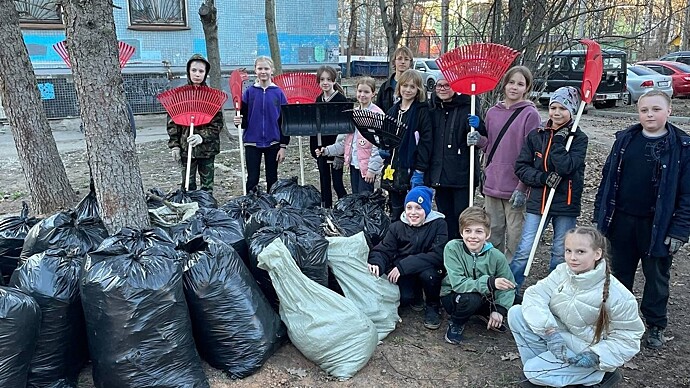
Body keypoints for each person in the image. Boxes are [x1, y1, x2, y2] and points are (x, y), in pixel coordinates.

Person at [594, 90, 690, 349]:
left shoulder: (682, 147)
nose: (649, 114)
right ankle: (617, 321)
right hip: (621, 222)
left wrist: (680, 231)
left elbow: (687, 194)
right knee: (619, 275)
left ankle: (655, 324)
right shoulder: (625, 140)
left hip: (658, 226)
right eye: (644, 109)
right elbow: (607, 181)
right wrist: (599, 219)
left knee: (657, 279)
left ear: (669, 111)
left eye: (656, 109)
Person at [508, 227, 644, 388]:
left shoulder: (618, 295)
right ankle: (548, 372)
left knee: (532, 372)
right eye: (568, 251)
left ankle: (598, 376)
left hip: (585, 352)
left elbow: (629, 337)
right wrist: (550, 332)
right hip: (560, 340)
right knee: (516, 313)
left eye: (580, 252)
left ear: (597, 254)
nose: (572, 258)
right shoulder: (562, 272)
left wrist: (596, 356)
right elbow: (535, 295)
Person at [510, 86, 588, 290]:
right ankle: (510, 289)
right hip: (538, 201)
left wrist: (559, 141)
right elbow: (521, 167)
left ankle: (555, 291)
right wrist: (543, 178)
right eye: (553, 107)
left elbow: (567, 167)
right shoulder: (537, 135)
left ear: (571, 110)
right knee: (525, 248)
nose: (556, 113)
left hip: (566, 203)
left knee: (560, 251)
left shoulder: (578, 139)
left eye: (562, 108)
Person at [473, 66, 541, 261]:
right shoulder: (493, 112)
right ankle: (493, 271)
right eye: (511, 82)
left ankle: (511, 278)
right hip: (493, 183)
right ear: (504, 84)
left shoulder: (530, 115)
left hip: (516, 186)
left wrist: (523, 187)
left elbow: (532, 154)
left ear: (526, 88)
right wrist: (478, 140)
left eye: (520, 84)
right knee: (493, 232)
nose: (514, 87)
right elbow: (490, 145)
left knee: (514, 236)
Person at [367, 186, 448, 330]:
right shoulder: (397, 226)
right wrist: (375, 261)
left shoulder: (439, 224)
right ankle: (415, 295)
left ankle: (433, 305)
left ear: (427, 209)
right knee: (405, 299)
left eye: (418, 208)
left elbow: (437, 255)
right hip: (405, 272)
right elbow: (384, 248)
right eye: (409, 207)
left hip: (427, 268)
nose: (413, 213)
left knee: (429, 276)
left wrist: (403, 266)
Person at [440, 206, 516, 345]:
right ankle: (456, 323)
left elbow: (509, 284)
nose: (473, 236)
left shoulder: (496, 256)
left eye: (479, 231)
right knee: (471, 300)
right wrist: (489, 283)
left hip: (485, 295)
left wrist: (499, 309)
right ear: (461, 232)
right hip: (454, 295)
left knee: (517, 299)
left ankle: (489, 314)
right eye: (468, 231)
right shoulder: (452, 248)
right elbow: (458, 284)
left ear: (487, 234)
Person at [426, 75, 486, 240]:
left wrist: (478, 126)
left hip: (462, 174)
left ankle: (464, 250)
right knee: (445, 218)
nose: (443, 88)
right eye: (439, 85)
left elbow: (482, 135)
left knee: (463, 218)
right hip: (440, 174)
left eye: (447, 85)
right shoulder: (433, 108)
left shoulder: (469, 105)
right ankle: (448, 251)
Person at [316, 77, 384, 194]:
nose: (362, 95)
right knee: (356, 198)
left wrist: (372, 169)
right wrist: (327, 151)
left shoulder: (377, 115)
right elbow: (345, 142)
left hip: (367, 167)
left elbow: (379, 145)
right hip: (354, 164)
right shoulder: (352, 114)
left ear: (373, 94)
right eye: (360, 91)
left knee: (365, 200)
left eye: (366, 92)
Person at [167, 54, 224, 193]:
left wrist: (201, 137)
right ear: (188, 71)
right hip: (186, 149)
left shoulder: (212, 97)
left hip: (207, 149)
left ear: (205, 73)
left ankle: (207, 209)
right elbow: (172, 123)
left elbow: (217, 124)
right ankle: (190, 208)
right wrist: (175, 146)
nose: (197, 74)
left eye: (201, 71)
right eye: (194, 70)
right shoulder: (179, 95)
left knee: (207, 187)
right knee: (187, 185)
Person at [381, 69, 432, 220]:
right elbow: (385, 137)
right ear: (399, 87)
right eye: (405, 86)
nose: (408, 90)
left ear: (418, 90)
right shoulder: (392, 111)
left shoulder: (422, 112)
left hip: (412, 168)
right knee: (395, 209)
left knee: (413, 211)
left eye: (412, 87)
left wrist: (419, 170)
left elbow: (426, 142)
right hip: (393, 168)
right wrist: (383, 148)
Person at [233, 56, 289, 193]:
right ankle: (251, 206)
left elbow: (284, 121)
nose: (263, 71)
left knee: (272, 178)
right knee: (252, 178)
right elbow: (244, 120)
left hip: (273, 143)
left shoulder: (279, 93)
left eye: (266, 68)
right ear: (255, 71)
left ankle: (271, 207)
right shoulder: (249, 93)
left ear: (272, 71)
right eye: (260, 68)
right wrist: (238, 121)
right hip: (252, 142)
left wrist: (283, 146)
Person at [310, 65, 349, 207]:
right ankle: (326, 210)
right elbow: (315, 128)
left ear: (334, 80)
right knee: (324, 182)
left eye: (328, 79)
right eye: (322, 79)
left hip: (337, 150)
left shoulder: (341, 101)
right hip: (322, 150)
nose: (325, 82)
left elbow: (346, 130)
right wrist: (314, 148)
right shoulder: (318, 100)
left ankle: (345, 208)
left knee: (337, 184)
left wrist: (341, 153)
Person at [376, 46, 414, 114]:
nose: (403, 62)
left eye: (406, 59)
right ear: (394, 61)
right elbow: (378, 111)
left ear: (410, 62)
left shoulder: (416, 86)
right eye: (399, 59)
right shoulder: (385, 87)